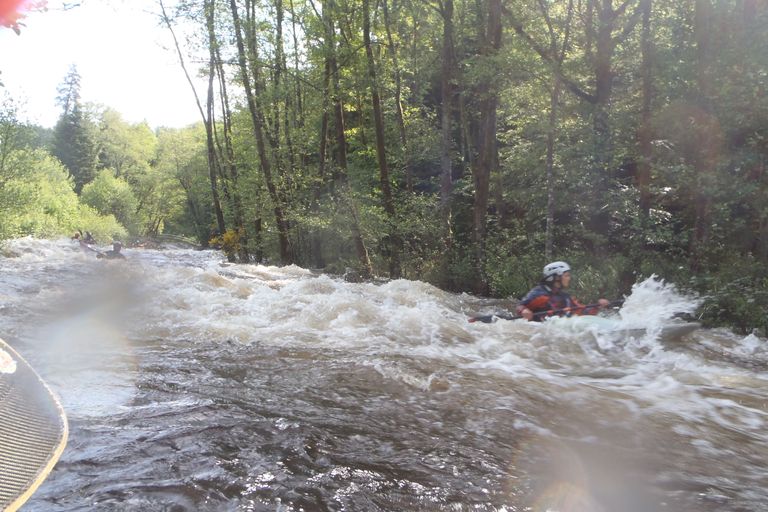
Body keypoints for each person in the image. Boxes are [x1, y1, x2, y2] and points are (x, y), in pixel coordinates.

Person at [515, 261, 610, 321]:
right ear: (556, 277)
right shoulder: (539, 292)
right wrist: (524, 310)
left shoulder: (565, 297)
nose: (569, 278)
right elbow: (520, 306)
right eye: (566, 275)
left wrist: (597, 306)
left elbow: (582, 311)